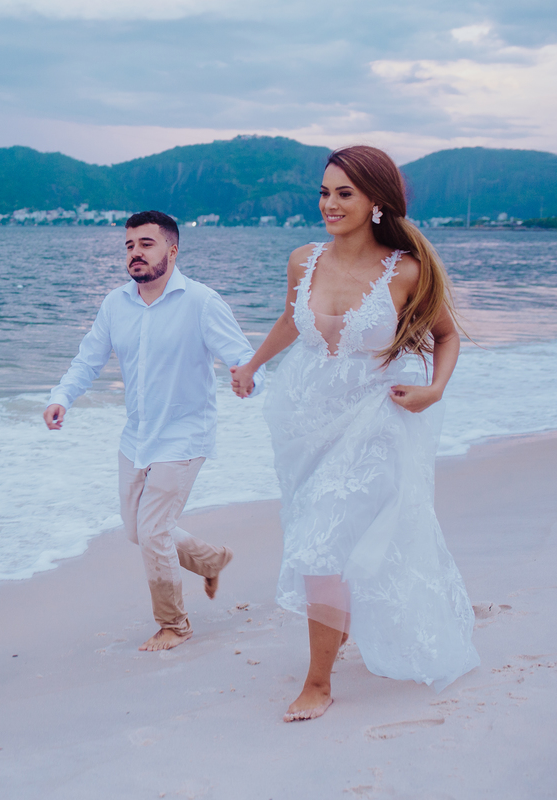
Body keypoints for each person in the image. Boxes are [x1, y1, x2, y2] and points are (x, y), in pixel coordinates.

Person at [230, 146, 479, 721]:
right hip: (304, 420)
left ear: (375, 202)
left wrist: (435, 389)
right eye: (324, 192)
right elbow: (292, 320)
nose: (330, 203)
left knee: (319, 547)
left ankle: (317, 683)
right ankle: (335, 629)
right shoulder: (303, 260)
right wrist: (251, 365)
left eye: (344, 193)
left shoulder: (406, 270)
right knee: (318, 534)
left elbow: (446, 336)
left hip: (374, 420)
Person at [44, 210, 264, 651]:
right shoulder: (115, 304)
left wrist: (247, 378)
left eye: (146, 243)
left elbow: (240, 354)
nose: (136, 253)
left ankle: (174, 625)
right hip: (137, 437)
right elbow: (89, 360)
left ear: (172, 249)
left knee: (154, 531)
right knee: (137, 530)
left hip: (184, 436)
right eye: (129, 246)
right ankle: (210, 560)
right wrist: (61, 397)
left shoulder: (200, 302)